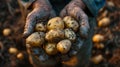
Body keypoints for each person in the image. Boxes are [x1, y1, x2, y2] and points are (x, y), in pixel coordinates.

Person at [21, 0, 105, 67]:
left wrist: (83, 2)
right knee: (41, 60)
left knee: (78, 59)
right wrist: (37, 2)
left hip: (80, 10)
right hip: (37, 10)